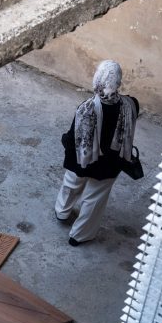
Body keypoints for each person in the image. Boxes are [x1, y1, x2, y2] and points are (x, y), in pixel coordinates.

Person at [55, 60, 139, 246]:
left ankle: (62, 212)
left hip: (83, 162)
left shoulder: (86, 107)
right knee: (94, 199)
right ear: (118, 82)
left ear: (97, 80)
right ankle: (79, 235)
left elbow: (72, 138)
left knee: (72, 183)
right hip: (110, 164)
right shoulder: (132, 104)